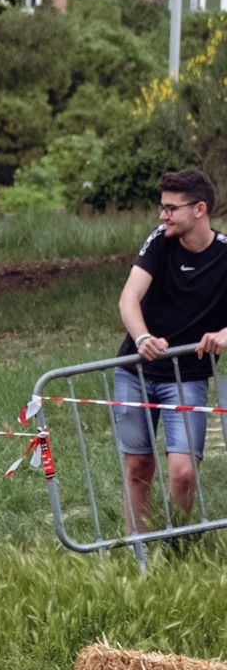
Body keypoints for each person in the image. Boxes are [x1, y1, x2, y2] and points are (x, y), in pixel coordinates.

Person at [118, 169, 227, 533]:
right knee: (138, 467)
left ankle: (179, 544)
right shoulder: (159, 242)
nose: (162, 215)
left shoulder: (225, 254)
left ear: (199, 209)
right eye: (161, 207)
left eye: (170, 208)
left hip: (188, 376)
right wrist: (143, 338)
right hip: (135, 373)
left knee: (183, 473)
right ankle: (141, 547)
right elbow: (129, 297)